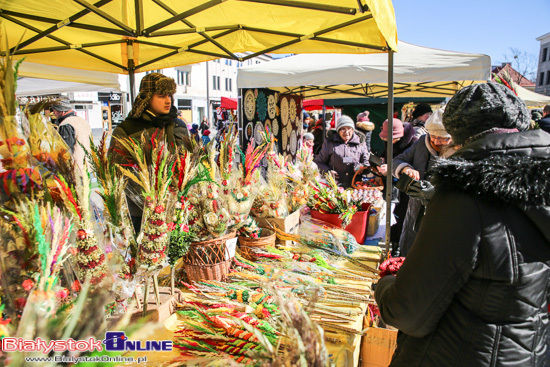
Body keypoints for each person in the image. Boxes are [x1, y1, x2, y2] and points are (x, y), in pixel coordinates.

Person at [374, 82, 550, 366]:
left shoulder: (463, 194)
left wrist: (384, 286)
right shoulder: (540, 184)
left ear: (459, 134)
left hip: (456, 352)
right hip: (526, 353)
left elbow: (408, 311)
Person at [109, 72, 189, 232]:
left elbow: (190, 161)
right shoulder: (128, 130)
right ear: (147, 97)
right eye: (161, 95)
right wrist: (151, 200)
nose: (168, 100)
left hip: (179, 211)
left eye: (169, 95)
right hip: (142, 214)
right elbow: (117, 174)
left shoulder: (179, 126)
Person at [391, 108, 454, 256]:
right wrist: (406, 169)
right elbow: (397, 161)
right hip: (415, 208)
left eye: (443, 138)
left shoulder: (460, 149)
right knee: (410, 249)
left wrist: (435, 192)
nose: (437, 141)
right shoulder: (421, 143)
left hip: (443, 212)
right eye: (433, 137)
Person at [375, 118, 418, 255]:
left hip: (407, 188)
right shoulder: (389, 140)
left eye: (394, 139)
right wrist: (381, 163)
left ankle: (400, 247)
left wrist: (394, 168)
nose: (390, 142)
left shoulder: (414, 143)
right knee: (394, 216)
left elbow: (413, 167)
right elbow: (387, 156)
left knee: (404, 217)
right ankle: (394, 245)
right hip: (392, 186)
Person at [314, 115, 369, 188]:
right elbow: (319, 162)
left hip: (356, 185)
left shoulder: (360, 143)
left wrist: (362, 168)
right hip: (335, 186)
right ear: (338, 131)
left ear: (353, 130)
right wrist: (328, 172)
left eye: (349, 129)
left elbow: (366, 163)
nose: (346, 132)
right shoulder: (330, 142)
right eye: (343, 129)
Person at [50, 97, 92, 176]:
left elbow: (66, 151)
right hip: (88, 166)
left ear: (62, 111)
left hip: (76, 169)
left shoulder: (66, 124)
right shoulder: (82, 120)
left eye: (55, 110)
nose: (54, 113)